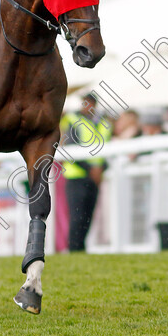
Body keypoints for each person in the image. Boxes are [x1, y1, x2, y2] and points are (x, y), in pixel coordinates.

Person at [60, 93, 112, 252]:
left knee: (88, 216)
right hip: (76, 176)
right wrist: (92, 170)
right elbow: (71, 149)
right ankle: (74, 249)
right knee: (77, 216)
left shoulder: (102, 123)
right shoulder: (72, 120)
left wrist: (101, 169)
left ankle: (81, 249)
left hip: (94, 177)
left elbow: (107, 150)